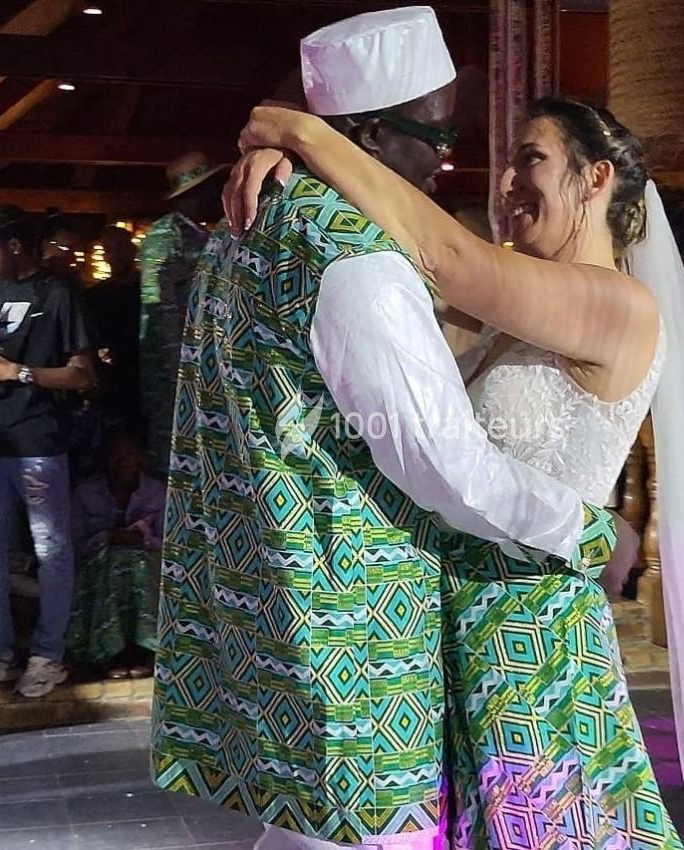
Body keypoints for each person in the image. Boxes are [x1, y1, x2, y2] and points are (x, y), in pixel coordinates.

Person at [225, 19, 684, 850]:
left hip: (533, 635)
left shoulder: (620, 305)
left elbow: (442, 254)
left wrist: (298, 128)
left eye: (532, 157)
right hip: (446, 624)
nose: (508, 177)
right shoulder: (502, 310)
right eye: (511, 157)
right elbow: (390, 285)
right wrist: (300, 169)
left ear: (596, 179)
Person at [152, 10, 646, 850]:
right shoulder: (361, 259)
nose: (454, 159)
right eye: (439, 131)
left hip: (338, 619)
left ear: (598, 180)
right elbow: (443, 462)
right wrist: (596, 533)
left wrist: (294, 139)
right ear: (374, 132)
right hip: (361, 632)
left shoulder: (246, 237)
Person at [0, 206, 97, 700]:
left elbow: (83, 375)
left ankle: (48, 655)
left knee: (51, 551)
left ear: (14, 248)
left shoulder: (58, 294)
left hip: (40, 443)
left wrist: (21, 373)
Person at [138, 152, 227, 474]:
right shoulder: (165, 236)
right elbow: (159, 307)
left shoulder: (201, 232)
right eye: (210, 187)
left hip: (198, 365)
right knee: (176, 458)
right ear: (193, 193)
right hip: (173, 372)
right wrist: (180, 368)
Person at [65, 429, 164, 677]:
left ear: (141, 459)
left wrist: (142, 539)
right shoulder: (86, 493)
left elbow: (171, 545)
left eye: (128, 454)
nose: (121, 462)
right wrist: (107, 538)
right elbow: (71, 545)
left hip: (146, 565)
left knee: (136, 564)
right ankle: (111, 651)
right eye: (114, 456)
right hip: (98, 569)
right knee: (114, 563)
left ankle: (145, 649)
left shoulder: (157, 493)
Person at [85, 226, 142, 425]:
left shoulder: (148, 291)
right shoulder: (95, 295)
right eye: (109, 250)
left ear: (132, 251)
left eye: (120, 249)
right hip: (110, 377)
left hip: (142, 370)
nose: (115, 256)